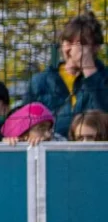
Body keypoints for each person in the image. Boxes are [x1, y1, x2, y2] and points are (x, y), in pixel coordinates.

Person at [27, 9, 108, 138]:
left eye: (82, 43)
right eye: (69, 42)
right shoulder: (40, 81)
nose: (73, 49)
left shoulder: (104, 78)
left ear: (96, 47)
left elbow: (104, 113)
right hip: (51, 148)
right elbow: (24, 122)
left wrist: (88, 69)